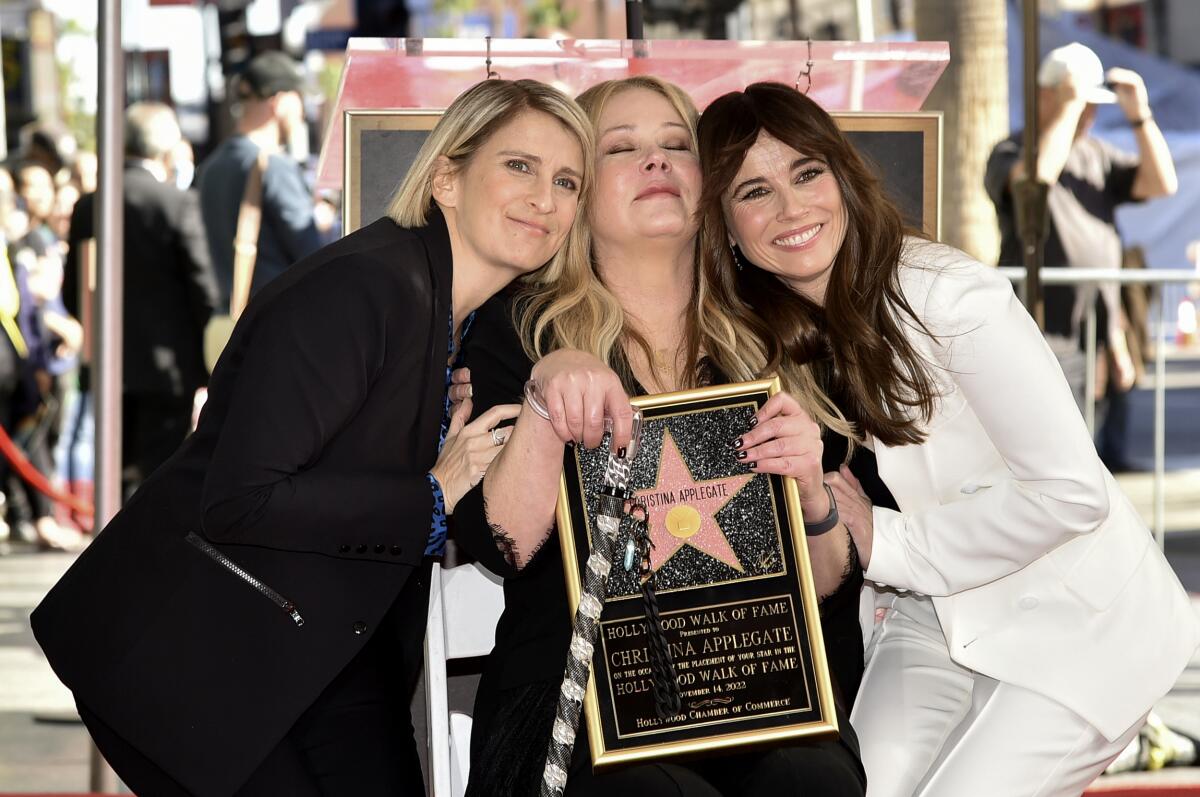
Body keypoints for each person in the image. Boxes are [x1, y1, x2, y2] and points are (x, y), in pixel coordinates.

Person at [32, 78, 592, 796]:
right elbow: (242, 498)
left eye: (567, 179)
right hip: (201, 663)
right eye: (520, 165)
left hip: (317, 660)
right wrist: (434, 490)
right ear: (447, 176)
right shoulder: (365, 288)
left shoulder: (453, 313)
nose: (546, 198)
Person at [698, 80, 1199, 797]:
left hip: (1076, 621)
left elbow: (1072, 494)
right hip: (928, 615)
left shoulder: (947, 296)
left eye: (807, 172)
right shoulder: (774, 341)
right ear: (726, 226)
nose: (790, 207)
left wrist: (882, 538)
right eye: (754, 191)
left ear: (843, 174)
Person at [456, 76, 866, 796]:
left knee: (816, 780)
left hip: (755, 692)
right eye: (623, 148)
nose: (657, 162)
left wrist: (810, 490)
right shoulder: (517, 331)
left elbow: (830, 579)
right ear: (580, 195)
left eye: (676, 145)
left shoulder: (778, 334)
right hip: (574, 702)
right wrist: (549, 391)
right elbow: (506, 545)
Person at [985, 42, 1176, 469]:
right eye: (1081, 103)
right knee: (1052, 463)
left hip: (1097, 331)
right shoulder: (1010, 152)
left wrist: (1139, 116)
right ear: (1046, 95)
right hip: (1041, 333)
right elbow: (1036, 183)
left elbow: (1162, 183)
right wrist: (1069, 106)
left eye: (1092, 106)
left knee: (1090, 463)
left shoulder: (1098, 154)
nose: (1088, 114)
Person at [66, 102, 219, 500]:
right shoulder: (176, 203)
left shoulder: (88, 205)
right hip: (166, 365)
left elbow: (74, 288)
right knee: (158, 476)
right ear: (166, 148)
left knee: (113, 472)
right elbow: (203, 288)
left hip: (104, 361)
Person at [197, 51, 322, 308]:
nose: (302, 111)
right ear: (279, 102)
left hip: (233, 321)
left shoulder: (211, 168)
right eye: (298, 98)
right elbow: (314, 255)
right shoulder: (274, 167)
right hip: (279, 323)